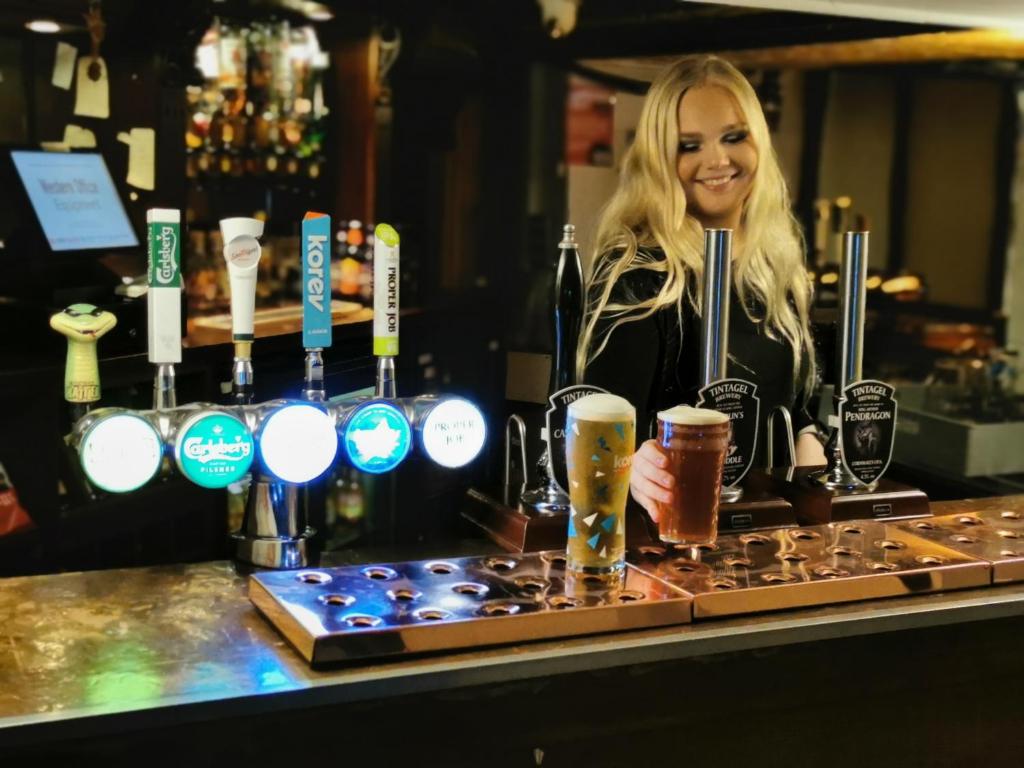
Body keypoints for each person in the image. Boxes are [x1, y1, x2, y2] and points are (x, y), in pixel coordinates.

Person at [575, 55, 826, 522]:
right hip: (666, 534)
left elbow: (797, 406)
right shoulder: (639, 272)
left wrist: (810, 442)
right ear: (659, 159)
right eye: (689, 145)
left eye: (734, 137)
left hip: (769, 531)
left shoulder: (775, 266)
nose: (718, 160)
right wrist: (634, 465)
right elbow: (601, 425)